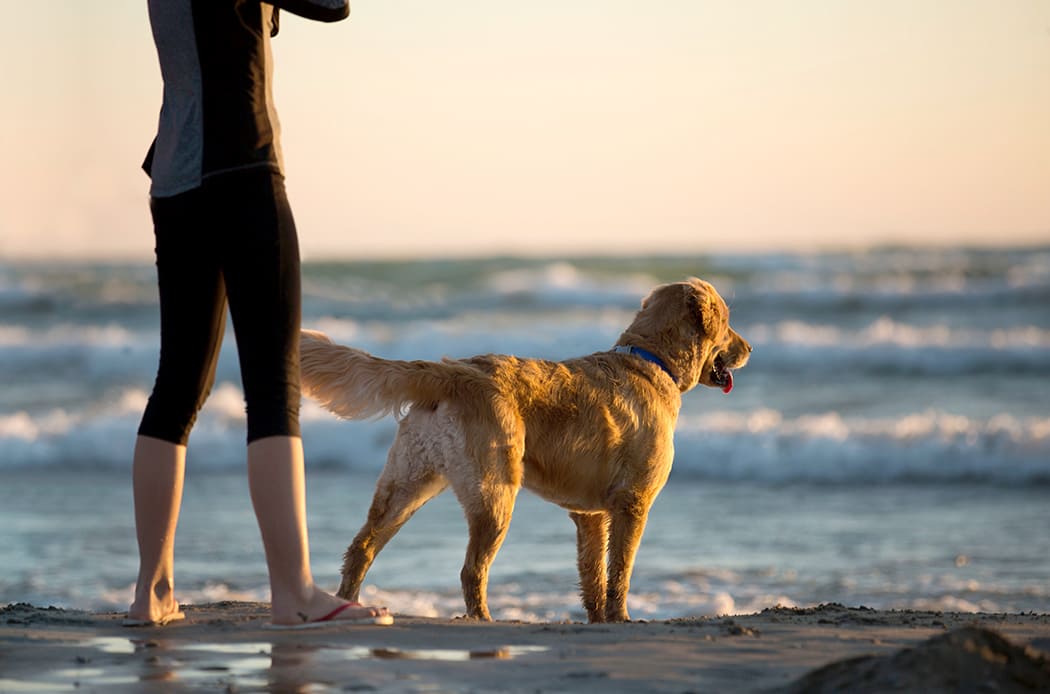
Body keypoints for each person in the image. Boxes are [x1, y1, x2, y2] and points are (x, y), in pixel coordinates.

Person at [126, 0, 391, 628]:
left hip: (174, 179)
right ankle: (295, 593)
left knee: (177, 386)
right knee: (272, 389)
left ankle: (152, 593)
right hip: (242, 166)